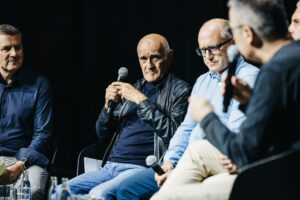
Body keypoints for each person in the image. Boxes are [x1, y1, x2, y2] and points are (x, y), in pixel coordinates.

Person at [151, 0, 300, 199]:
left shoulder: (272, 71)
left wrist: (206, 116)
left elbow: (242, 153)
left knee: (173, 193)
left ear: (246, 35)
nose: (291, 29)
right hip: (273, 162)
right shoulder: (287, 62)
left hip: (279, 173)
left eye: (297, 22)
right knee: (198, 151)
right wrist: (249, 102)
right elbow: (285, 127)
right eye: (202, 50)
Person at [116, 19, 259, 200]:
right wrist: (170, 162)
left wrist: (179, 168)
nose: (207, 56)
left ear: (234, 43)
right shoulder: (202, 81)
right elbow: (186, 128)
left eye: (213, 48)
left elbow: (236, 134)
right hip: (186, 160)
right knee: (126, 189)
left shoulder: (247, 77)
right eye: (203, 50)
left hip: (215, 160)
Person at [66, 33, 191, 199]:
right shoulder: (134, 87)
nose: (149, 65)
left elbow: (175, 134)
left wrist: (141, 101)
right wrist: (107, 107)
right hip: (110, 166)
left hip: (140, 168)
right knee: (61, 191)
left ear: (169, 56)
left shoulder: (180, 91)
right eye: (143, 59)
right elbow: (103, 134)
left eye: (155, 58)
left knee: (98, 194)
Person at [0, 24, 53, 200]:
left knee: (33, 189)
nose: (14, 53)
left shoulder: (39, 85)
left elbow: (43, 134)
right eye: (7, 48)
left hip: (25, 159)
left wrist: (20, 165)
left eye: (18, 47)